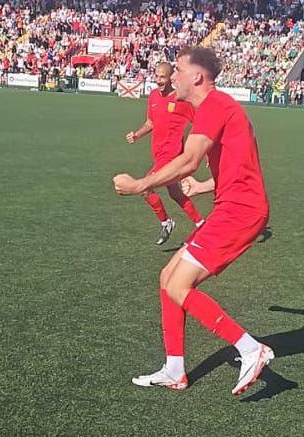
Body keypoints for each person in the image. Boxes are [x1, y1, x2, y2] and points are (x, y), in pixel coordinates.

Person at [113, 46, 273, 396]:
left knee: (179, 285)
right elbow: (241, 166)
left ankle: (250, 348)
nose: (174, 76)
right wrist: (203, 186)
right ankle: (174, 369)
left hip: (239, 212)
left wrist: (141, 184)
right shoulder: (216, 108)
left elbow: (188, 161)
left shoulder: (216, 105)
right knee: (167, 277)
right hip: (234, 206)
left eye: (180, 70)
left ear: (197, 76)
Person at [126, 62, 205, 245]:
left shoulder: (181, 99)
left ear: (171, 78)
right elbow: (150, 123)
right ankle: (201, 224)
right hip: (158, 154)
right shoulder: (153, 96)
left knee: (145, 187)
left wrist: (206, 151)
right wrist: (137, 135)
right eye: (157, 76)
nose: (158, 80)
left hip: (172, 157)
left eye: (162, 77)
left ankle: (166, 222)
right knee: (176, 193)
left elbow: (201, 124)